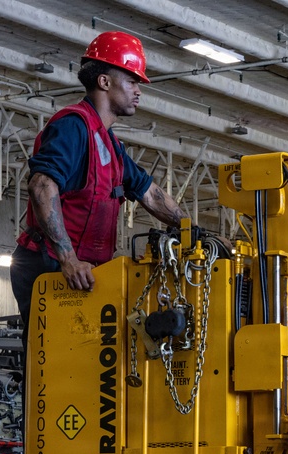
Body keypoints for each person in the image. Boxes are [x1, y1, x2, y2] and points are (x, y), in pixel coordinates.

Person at [11, 31, 187, 345]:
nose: (138, 91)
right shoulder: (73, 126)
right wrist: (68, 259)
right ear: (104, 82)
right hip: (51, 267)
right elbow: (41, 186)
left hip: (84, 272)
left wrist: (194, 232)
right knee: (53, 367)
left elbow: (151, 194)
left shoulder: (110, 146)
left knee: (88, 369)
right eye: (132, 81)